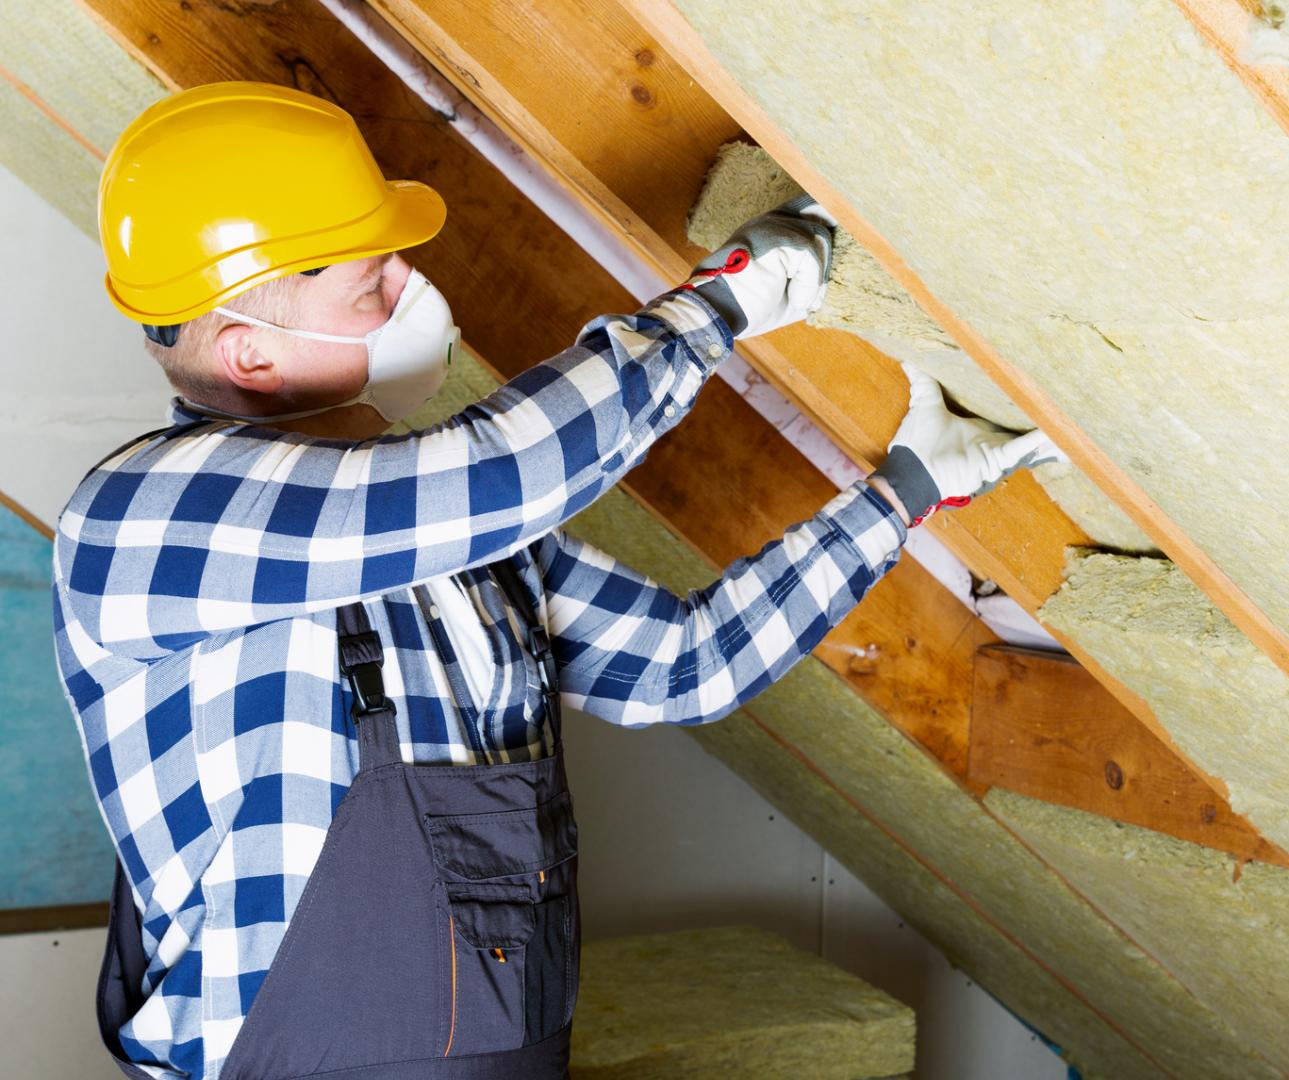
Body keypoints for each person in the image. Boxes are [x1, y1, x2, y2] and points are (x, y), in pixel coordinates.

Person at [57, 81, 1055, 1079]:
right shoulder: (140, 520)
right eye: (371, 280)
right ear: (249, 355)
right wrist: (719, 305)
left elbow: (682, 664)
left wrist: (903, 494)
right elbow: (501, 474)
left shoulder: (454, 535)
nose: (407, 283)